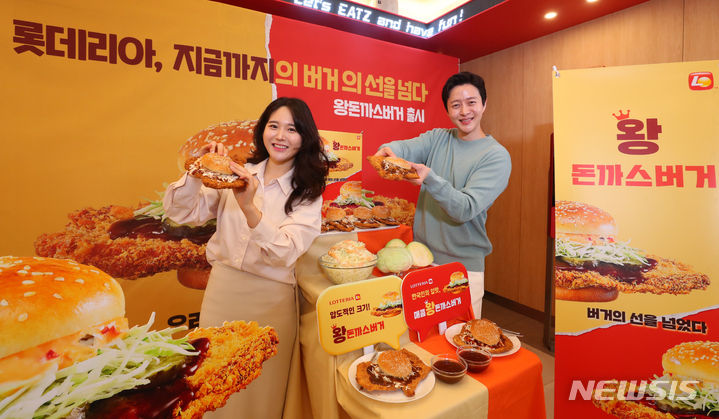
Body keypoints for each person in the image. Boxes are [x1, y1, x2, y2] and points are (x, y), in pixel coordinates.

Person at [163, 97, 328, 419]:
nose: (280, 136)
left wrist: (249, 207)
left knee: (259, 390)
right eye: (273, 126)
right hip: (222, 294)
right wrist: (199, 169)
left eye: (292, 129)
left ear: (304, 137)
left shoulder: (308, 191)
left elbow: (285, 252)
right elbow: (182, 212)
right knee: (212, 384)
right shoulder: (236, 173)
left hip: (271, 301)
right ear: (262, 131)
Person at [374, 71, 511, 317]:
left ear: (484, 104)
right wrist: (389, 150)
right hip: (421, 260)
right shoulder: (438, 138)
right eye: (456, 105)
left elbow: (464, 208)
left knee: (458, 337)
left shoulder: (496, 156)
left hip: (462, 269)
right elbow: (406, 147)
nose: (464, 111)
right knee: (422, 337)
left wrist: (430, 178)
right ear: (447, 110)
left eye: (471, 102)